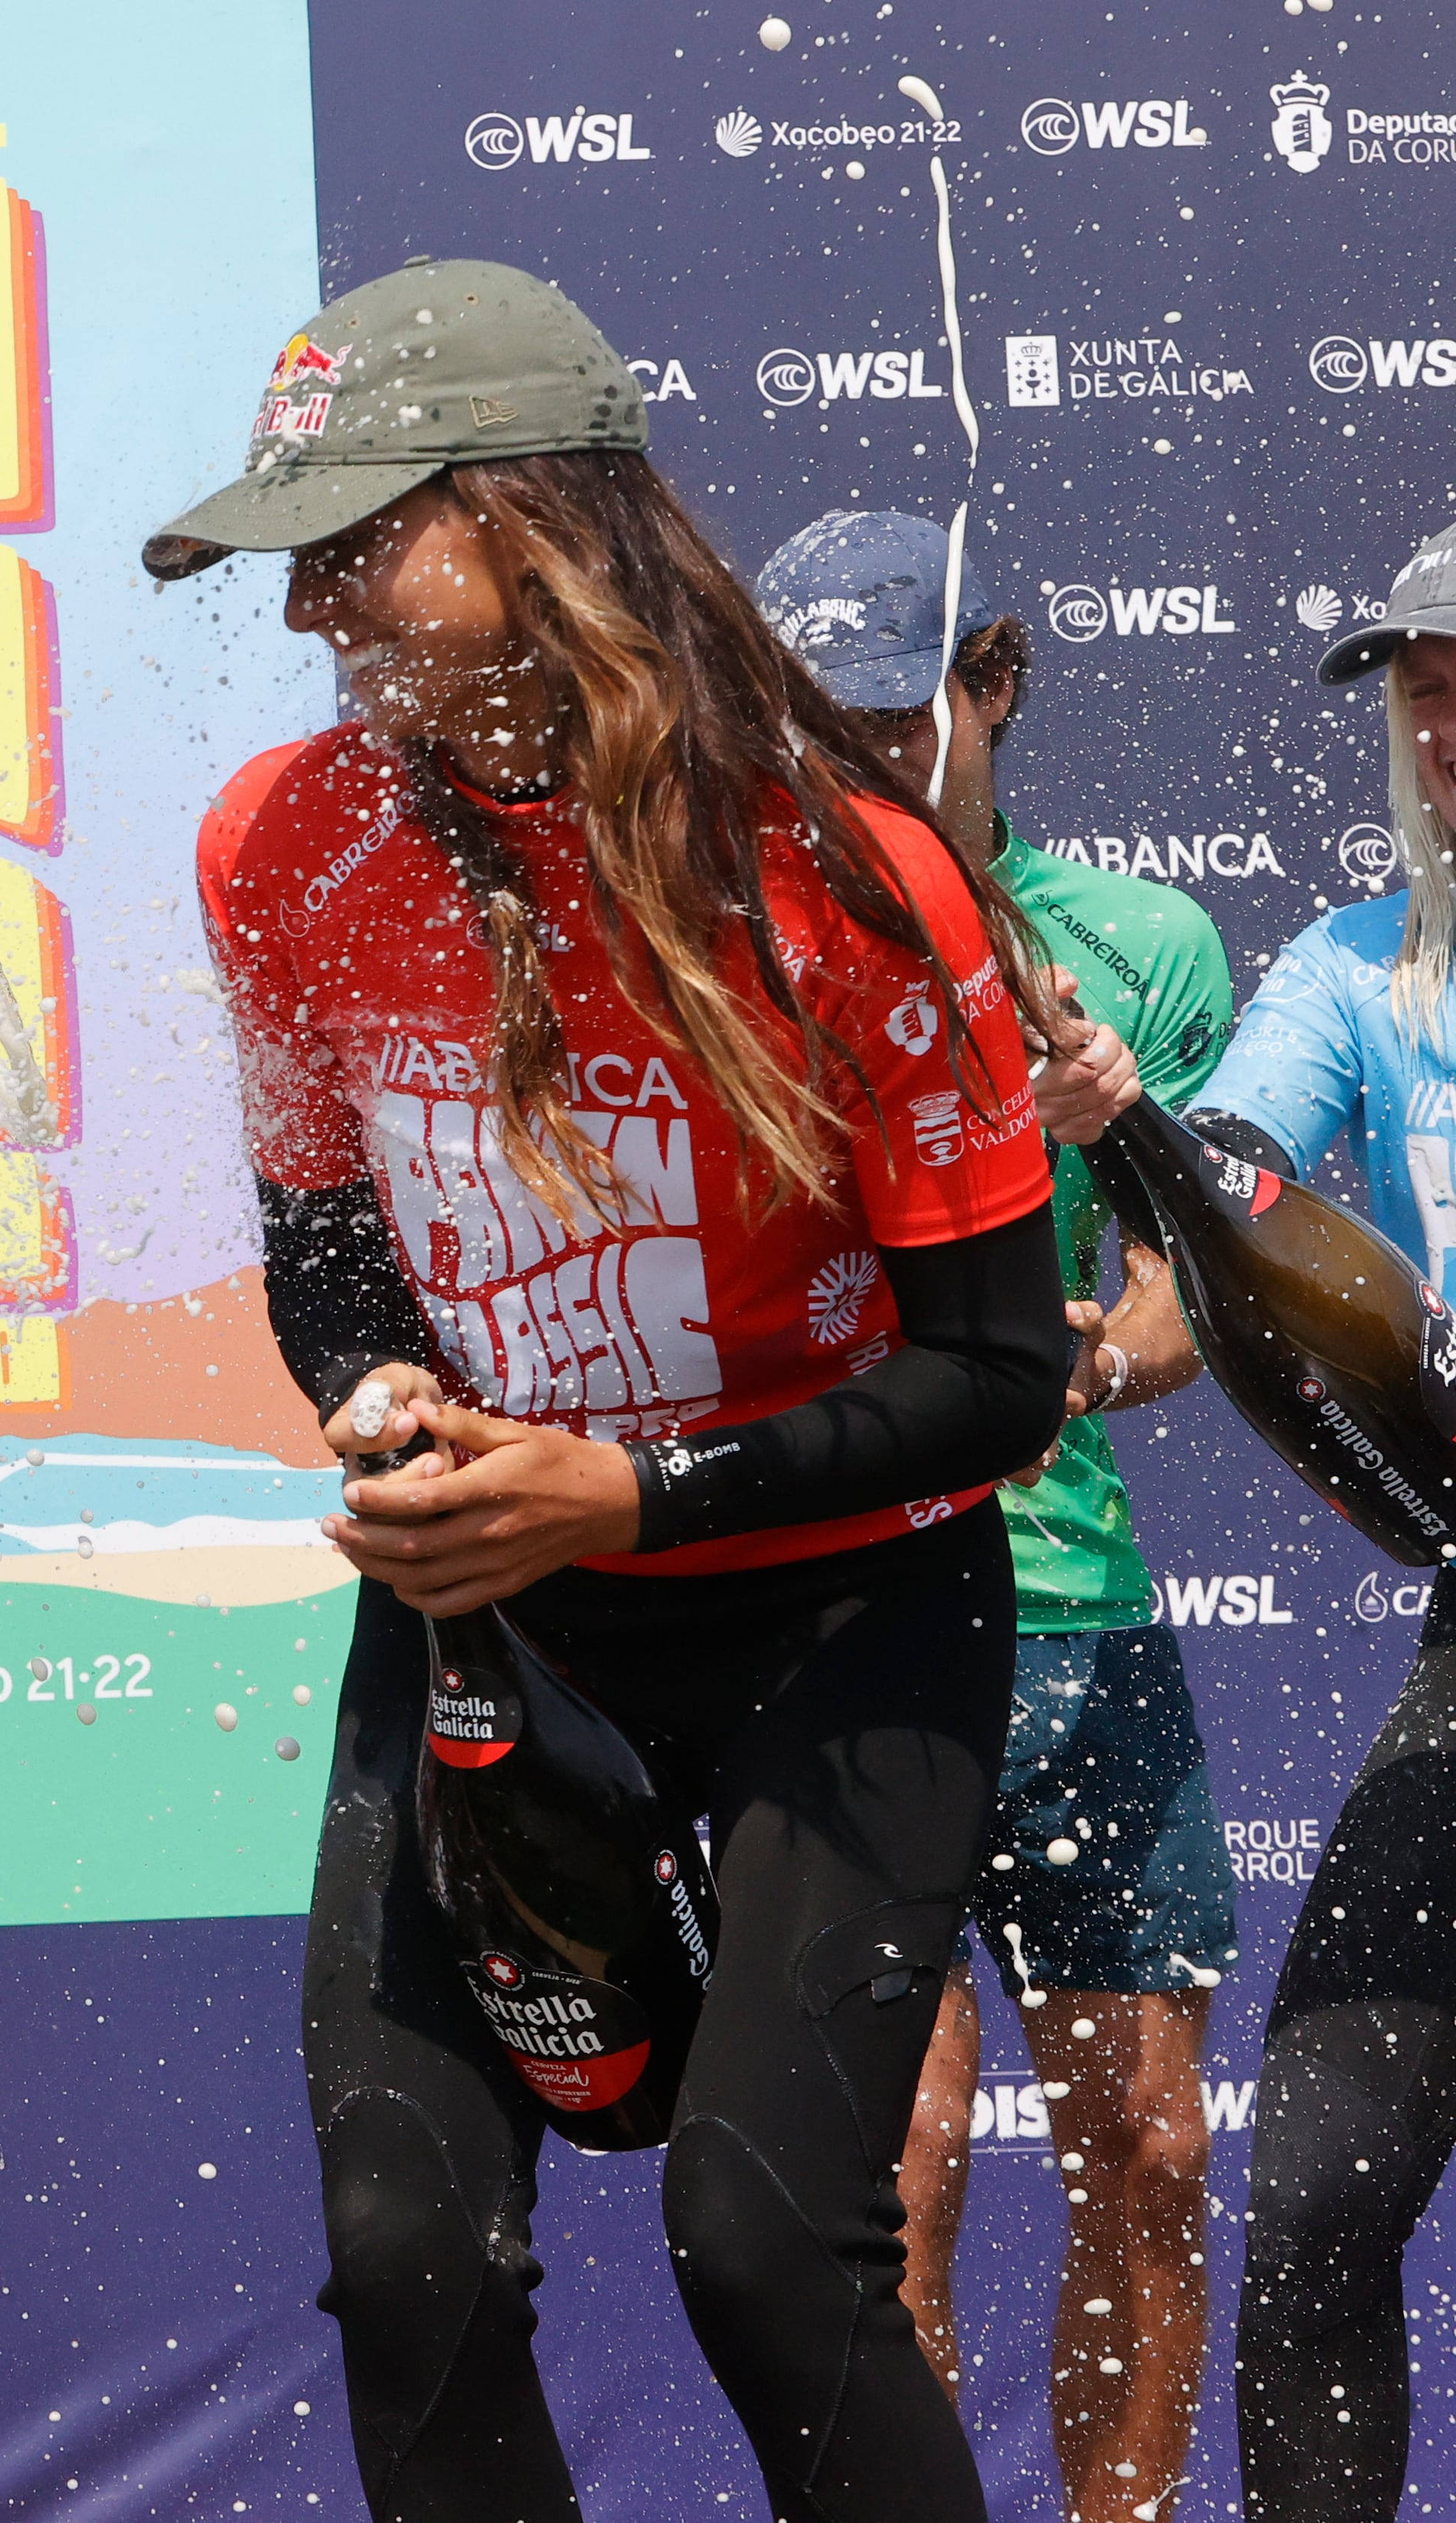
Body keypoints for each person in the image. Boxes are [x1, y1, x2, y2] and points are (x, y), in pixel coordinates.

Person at [160, 260, 1078, 2523]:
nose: (310, 614)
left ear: (539, 523)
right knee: (408, 2258)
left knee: (766, 2244)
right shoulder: (281, 844)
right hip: (502, 1605)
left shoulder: (849, 873)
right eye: (293, 557)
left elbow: (997, 1377)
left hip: (847, 1609)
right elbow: (332, 1254)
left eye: (358, 542)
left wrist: (627, 1493)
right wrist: (393, 1413)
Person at [754, 512, 1239, 2523]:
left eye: (899, 718)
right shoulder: (740, 938)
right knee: (897, 2170)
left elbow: (1191, 1297)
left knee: (1150, 2142)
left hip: (1080, 1619)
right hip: (843, 1617)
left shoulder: (1138, 950)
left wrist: (1078, 1359)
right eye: (826, 730)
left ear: (997, 684)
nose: (866, 766)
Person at [1165, 518, 1456, 2523]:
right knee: (1331, 2174)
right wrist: (1149, 1151)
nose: (1443, 730)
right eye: (1422, 698)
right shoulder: (1357, 968)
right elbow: (1236, 1166)